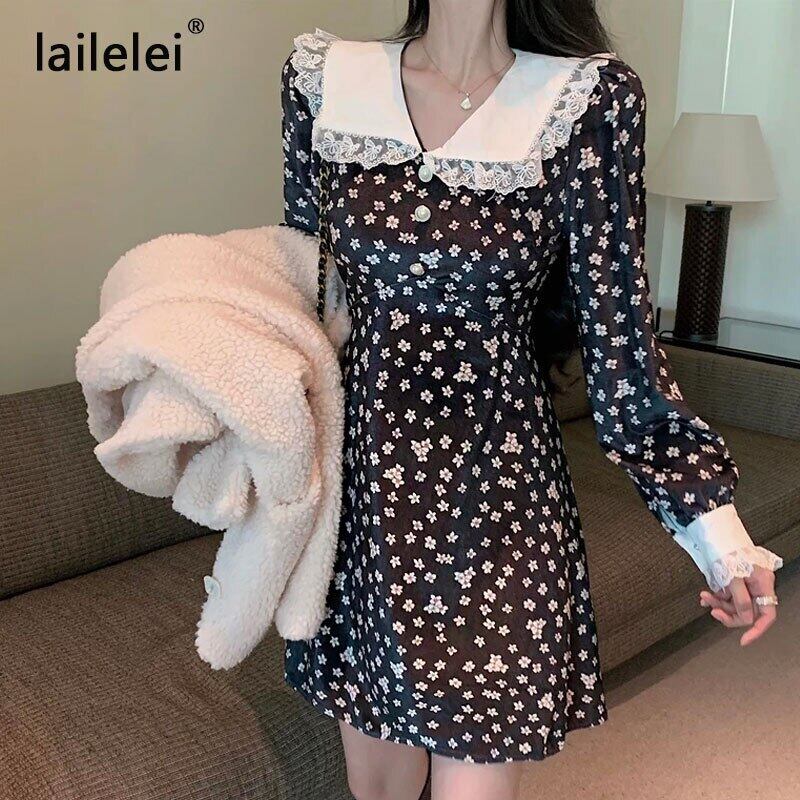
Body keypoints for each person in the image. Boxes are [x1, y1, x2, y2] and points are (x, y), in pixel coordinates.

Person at [278, 2, 783, 798]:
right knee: (378, 791)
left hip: (500, 505)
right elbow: (303, 302)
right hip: (364, 506)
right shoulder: (325, 84)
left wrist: (720, 540)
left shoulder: (586, 101)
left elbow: (623, 348)